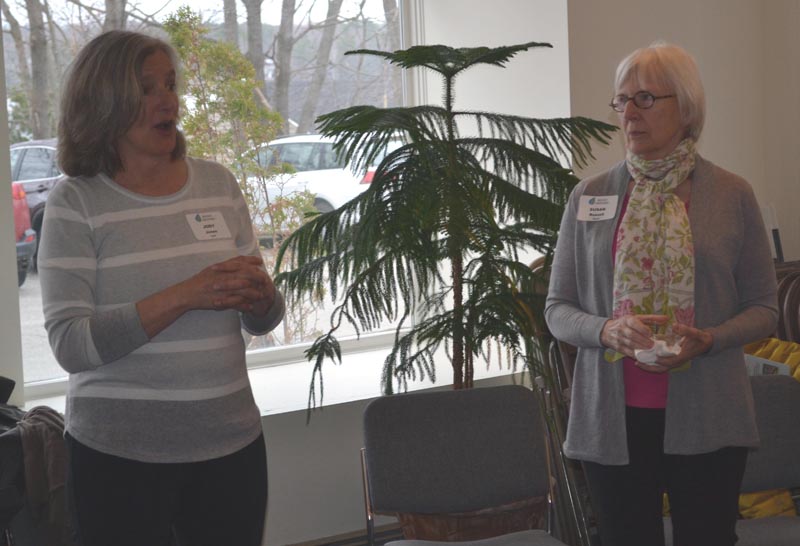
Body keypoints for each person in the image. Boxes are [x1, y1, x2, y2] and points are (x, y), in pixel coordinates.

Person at [38, 30, 285, 546]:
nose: (167, 100)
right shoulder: (75, 202)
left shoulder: (218, 183)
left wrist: (263, 300)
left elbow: (262, 319)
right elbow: (70, 344)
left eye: (170, 84)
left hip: (231, 445)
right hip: (119, 458)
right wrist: (185, 294)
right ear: (104, 105)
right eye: (147, 89)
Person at [545, 42, 778, 546]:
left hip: (709, 414)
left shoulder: (732, 194)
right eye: (622, 99)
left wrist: (710, 338)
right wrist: (605, 329)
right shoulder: (590, 196)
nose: (629, 113)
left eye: (646, 98)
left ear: (687, 107)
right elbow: (557, 309)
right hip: (611, 421)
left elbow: (765, 307)